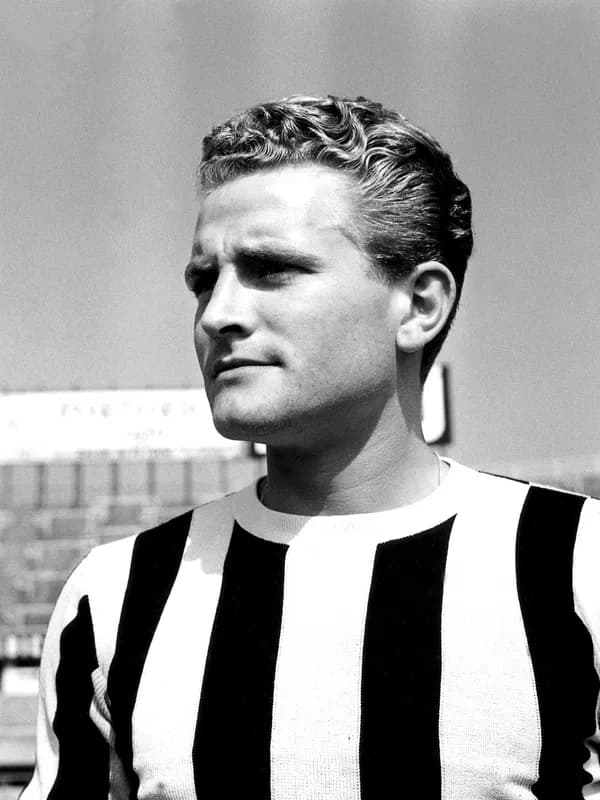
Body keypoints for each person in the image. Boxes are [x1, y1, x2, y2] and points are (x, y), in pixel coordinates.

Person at [22, 95, 600, 800]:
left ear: (420, 305)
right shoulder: (113, 596)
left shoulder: (581, 565)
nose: (218, 315)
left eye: (272, 269)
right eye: (204, 281)